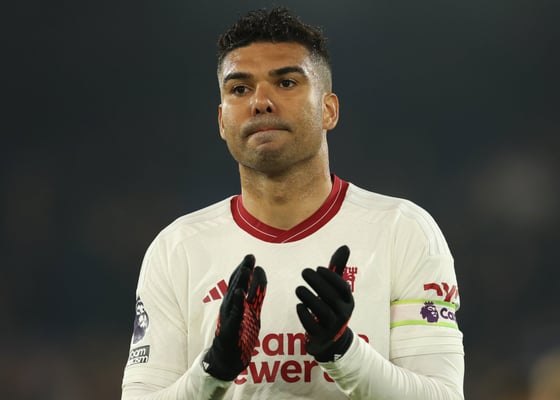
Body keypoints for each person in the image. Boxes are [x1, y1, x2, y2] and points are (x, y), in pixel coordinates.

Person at [120, 7, 464, 399]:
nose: (260, 102)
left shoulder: (403, 230)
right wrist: (214, 368)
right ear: (221, 121)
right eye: (240, 89)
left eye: (285, 82)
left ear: (329, 110)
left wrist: (343, 351)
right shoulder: (177, 248)